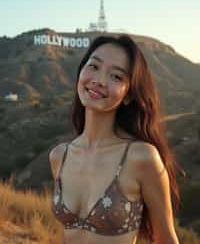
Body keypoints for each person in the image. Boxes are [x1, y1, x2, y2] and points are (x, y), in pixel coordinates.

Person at [49, 34, 184, 244]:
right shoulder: (59, 156)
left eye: (116, 77)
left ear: (129, 95)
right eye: (93, 66)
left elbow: (165, 238)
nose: (100, 80)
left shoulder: (141, 157)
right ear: (80, 72)